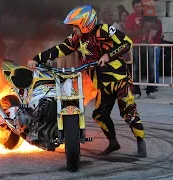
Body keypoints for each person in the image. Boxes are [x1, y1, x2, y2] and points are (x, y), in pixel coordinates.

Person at [27, 5, 146, 157]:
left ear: (85, 23)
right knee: (99, 115)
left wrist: (107, 56)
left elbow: (127, 43)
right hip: (102, 85)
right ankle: (113, 143)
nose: (73, 30)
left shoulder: (104, 30)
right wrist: (37, 59)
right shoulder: (76, 39)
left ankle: (141, 143)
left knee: (129, 112)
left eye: (75, 26)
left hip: (120, 80)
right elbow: (59, 49)